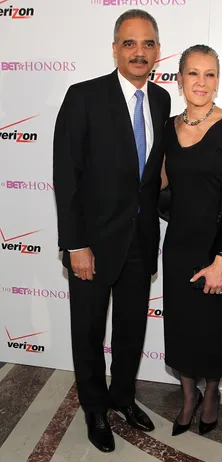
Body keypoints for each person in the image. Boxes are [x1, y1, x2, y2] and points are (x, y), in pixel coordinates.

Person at [53, 9, 171, 453]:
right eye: (129, 43)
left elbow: (152, 175)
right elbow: (67, 176)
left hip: (141, 240)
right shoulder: (83, 96)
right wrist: (75, 243)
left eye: (147, 44)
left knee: (130, 327)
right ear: (115, 48)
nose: (139, 52)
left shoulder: (161, 100)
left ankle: (122, 396)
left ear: (158, 50)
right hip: (92, 244)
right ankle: (95, 409)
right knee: (87, 330)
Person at [160, 45, 222, 437]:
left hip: (219, 246)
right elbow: (161, 185)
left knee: (215, 331)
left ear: (218, 80)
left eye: (210, 74)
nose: (202, 82)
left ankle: (212, 394)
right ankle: (188, 399)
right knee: (181, 329)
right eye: (193, 73)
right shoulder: (167, 127)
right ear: (179, 78)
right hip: (179, 245)